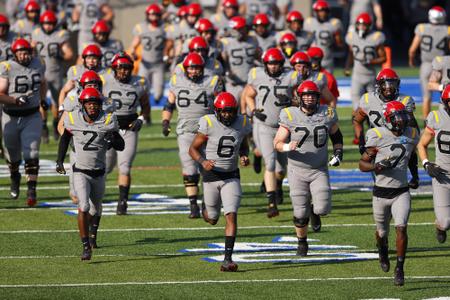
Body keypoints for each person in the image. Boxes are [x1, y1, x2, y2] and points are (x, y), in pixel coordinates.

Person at [274, 80, 343, 256]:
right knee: (299, 212)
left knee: (323, 208)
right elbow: (277, 143)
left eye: (312, 95)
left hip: (318, 169)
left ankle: (315, 211)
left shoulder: (327, 113)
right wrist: (288, 147)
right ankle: (302, 242)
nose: (310, 99)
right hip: (297, 169)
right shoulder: (289, 115)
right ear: (300, 97)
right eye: (306, 95)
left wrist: (338, 153)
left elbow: (336, 135)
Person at [56, 87, 124, 260]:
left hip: (99, 172)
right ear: (82, 105)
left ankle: (93, 234)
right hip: (80, 171)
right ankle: (85, 246)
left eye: (95, 103)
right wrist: (59, 161)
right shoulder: (73, 118)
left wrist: (113, 139)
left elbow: (121, 145)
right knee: (84, 206)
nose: (92, 107)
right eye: (89, 103)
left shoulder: (108, 119)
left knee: (96, 208)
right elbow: (64, 138)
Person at [189, 92, 251, 272]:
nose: (227, 115)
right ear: (217, 111)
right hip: (211, 176)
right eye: (223, 112)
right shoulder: (208, 123)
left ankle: (227, 259)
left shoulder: (243, 123)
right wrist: (202, 162)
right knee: (212, 219)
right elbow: (192, 148)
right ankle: (205, 208)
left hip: (231, 176)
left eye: (230, 111)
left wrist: (244, 155)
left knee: (231, 214)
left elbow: (243, 143)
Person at [359, 101, 419, 286]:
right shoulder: (376, 135)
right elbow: (362, 165)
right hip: (380, 193)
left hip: (401, 191)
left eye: (403, 117)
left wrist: (415, 176)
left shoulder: (412, 134)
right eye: (397, 118)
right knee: (382, 233)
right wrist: (376, 166)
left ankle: (400, 268)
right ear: (388, 119)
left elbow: (411, 155)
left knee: (401, 227)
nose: (401, 121)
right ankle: (382, 251)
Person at [162, 52, 224, 218]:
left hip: (208, 132)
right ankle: (192, 205)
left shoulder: (212, 81)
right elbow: (169, 104)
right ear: (185, 68)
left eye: (197, 68)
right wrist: (165, 122)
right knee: (189, 168)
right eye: (191, 68)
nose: (194, 71)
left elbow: (221, 104)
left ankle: (206, 201)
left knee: (208, 168)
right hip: (186, 131)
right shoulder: (176, 80)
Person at [242, 48, 299, 217]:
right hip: (264, 126)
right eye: (270, 63)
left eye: (276, 63)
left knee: (281, 169)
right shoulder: (257, 75)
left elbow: (299, 97)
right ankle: (271, 203)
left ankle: (278, 185)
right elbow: (248, 95)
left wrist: (292, 101)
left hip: (283, 128)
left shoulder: (290, 77)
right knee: (271, 163)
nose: (273, 67)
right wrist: (254, 110)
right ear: (265, 64)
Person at [353, 68, 419, 189]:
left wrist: (413, 139)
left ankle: (415, 176)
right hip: (378, 141)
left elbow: (412, 124)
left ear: (397, 84)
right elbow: (357, 120)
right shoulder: (368, 99)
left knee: (410, 150)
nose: (388, 87)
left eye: (392, 83)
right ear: (379, 85)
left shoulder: (404, 100)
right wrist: (361, 140)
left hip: (399, 136)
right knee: (379, 178)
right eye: (385, 83)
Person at [0, 38, 47, 206]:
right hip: (11, 116)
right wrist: (14, 100)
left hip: (32, 116)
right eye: (20, 52)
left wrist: (42, 100)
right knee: (12, 155)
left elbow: (43, 82)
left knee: (32, 152)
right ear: (15, 54)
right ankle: (14, 176)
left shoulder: (38, 62)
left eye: (26, 52)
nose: (24, 55)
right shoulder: (7, 67)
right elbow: (0, 93)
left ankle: (31, 189)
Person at [104, 52, 150, 215]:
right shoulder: (104, 80)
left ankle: (122, 201)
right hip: (109, 129)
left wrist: (142, 118)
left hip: (129, 129)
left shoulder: (140, 82)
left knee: (125, 167)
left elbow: (145, 104)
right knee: (106, 167)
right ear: (114, 68)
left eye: (127, 68)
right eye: (120, 68)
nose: (123, 71)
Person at [32, 10, 74, 141]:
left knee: (56, 102)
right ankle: (44, 125)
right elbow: (31, 47)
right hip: (40, 72)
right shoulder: (36, 33)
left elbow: (69, 54)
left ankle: (56, 122)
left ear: (55, 24)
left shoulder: (61, 35)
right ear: (41, 23)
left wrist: (60, 54)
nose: (48, 26)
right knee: (41, 100)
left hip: (55, 73)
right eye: (45, 23)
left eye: (50, 23)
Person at [417, 85, 450, 244]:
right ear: (445, 102)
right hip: (442, 176)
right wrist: (426, 163)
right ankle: (440, 226)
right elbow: (421, 144)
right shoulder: (436, 117)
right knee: (445, 221)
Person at [408, 6, 449, 119]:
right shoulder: (447, 29)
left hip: (426, 65)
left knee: (426, 97)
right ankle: (445, 120)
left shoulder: (421, 28)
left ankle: (428, 125)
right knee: (445, 93)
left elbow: (412, 50)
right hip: (442, 65)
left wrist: (411, 61)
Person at [344, 12, 386, 112]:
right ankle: (358, 125)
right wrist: (347, 67)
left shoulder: (376, 37)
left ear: (369, 25)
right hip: (357, 75)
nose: (361, 27)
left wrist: (371, 61)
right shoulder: (352, 36)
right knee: (356, 103)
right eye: (359, 24)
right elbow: (351, 53)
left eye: (364, 25)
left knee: (374, 103)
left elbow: (383, 58)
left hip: (370, 75)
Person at [130, 4, 168, 105]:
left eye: (156, 15)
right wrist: (133, 50)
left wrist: (169, 53)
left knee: (158, 93)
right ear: (147, 15)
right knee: (142, 89)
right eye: (152, 15)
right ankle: (146, 112)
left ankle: (155, 100)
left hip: (158, 64)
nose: (154, 17)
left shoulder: (165, 27)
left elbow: (170, 42)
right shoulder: (141, 27)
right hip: (145, 63)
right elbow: (136, 41)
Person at [221, 16, 259, 101]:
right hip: (233, 84)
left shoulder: (253, 39)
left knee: (249, 112)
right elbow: (223, 61)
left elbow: (258, 57)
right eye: (235, 29)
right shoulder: (226, 42)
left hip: (249, 84)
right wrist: (227, 71)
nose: (237, 32)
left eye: (239, 29)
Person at [304, 0, 344, 73]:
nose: (323, 14)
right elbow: (304, 42)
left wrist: (338, 39)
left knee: (328, 82)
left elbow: (340, 45)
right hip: (312, 59)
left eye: (325, 11)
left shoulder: (334, 23)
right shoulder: (309, 22)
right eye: (320, 11)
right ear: (315, 12)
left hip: (327, 59)